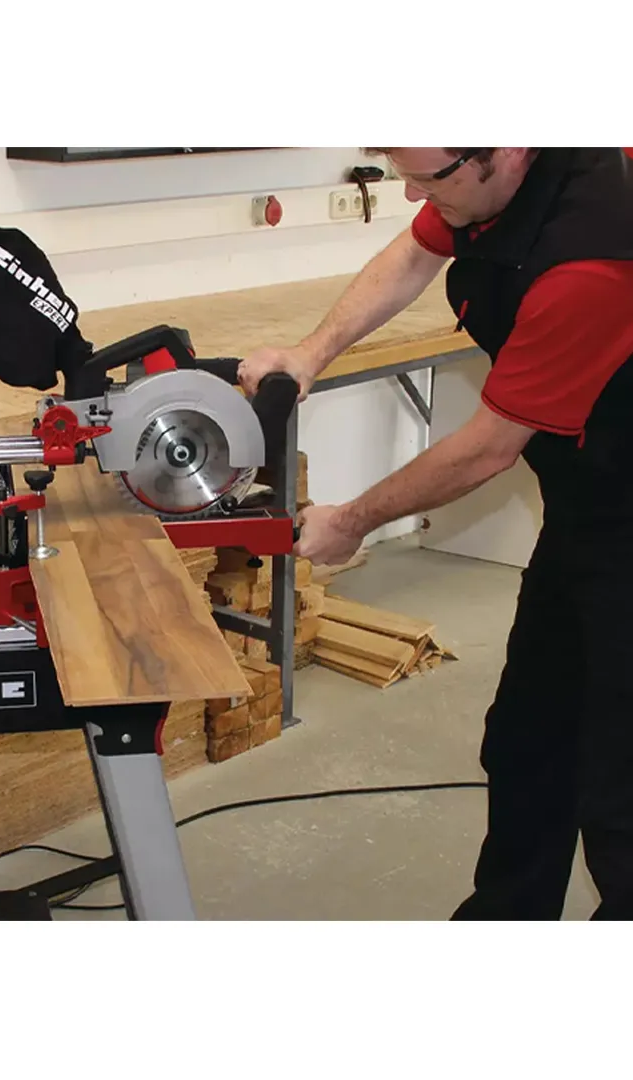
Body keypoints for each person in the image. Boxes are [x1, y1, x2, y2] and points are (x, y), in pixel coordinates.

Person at [237, 147, 633, 920]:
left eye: (430, 178)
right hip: (590, 507)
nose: (415, 195)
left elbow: (487, 447)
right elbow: (415, 251)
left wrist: (351, 522)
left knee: (621, 785)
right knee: (530, 739)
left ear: (506, 149)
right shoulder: (490, 184)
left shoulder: (595, 259)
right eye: (403, 173)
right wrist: (310, 355)